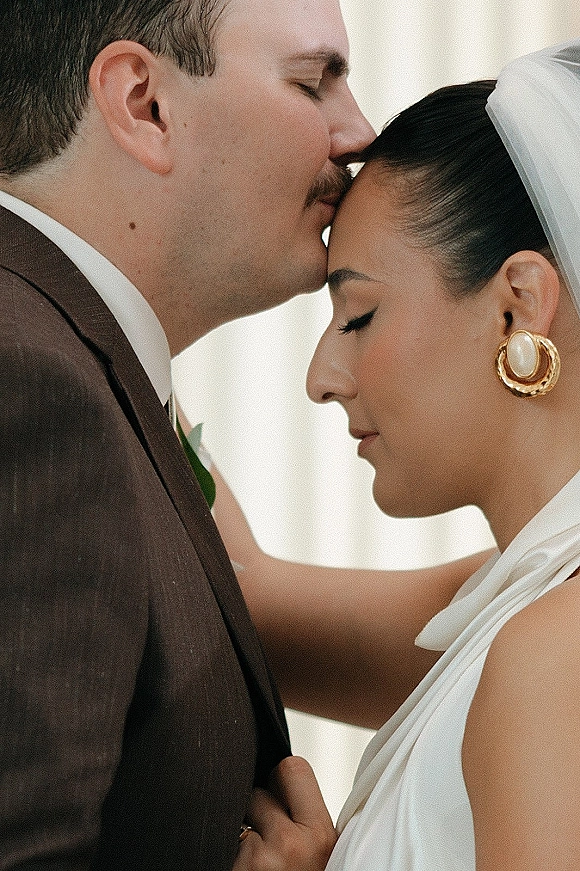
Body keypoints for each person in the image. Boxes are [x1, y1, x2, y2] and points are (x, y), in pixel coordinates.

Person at [0, 1, 376, 868]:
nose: (359, 131)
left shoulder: (81, 365)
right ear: (143, 103)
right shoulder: (32, 385)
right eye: (314, 81)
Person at [219, 37, 580, 870]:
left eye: (358, 316)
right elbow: (249, 598)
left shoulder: (552, 655)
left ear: (517, 308)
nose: (321, 377)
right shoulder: (512, 596)